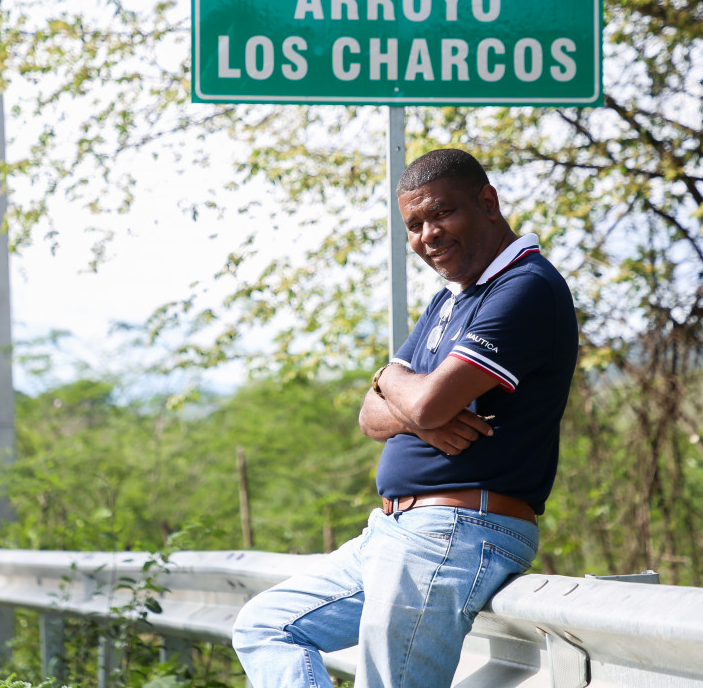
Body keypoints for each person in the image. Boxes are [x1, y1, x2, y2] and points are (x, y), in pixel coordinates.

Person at [233, 148, 579, 688]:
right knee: (266, 626)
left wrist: (396, 386)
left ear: (488, 203)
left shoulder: (525, 287)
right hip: (395, 530)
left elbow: (421, 402)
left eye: (441, 214)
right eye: (414, 225)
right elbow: (371, 417)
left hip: (457, 528)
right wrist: (408, 403)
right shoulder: (451, 300)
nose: (428, 235)